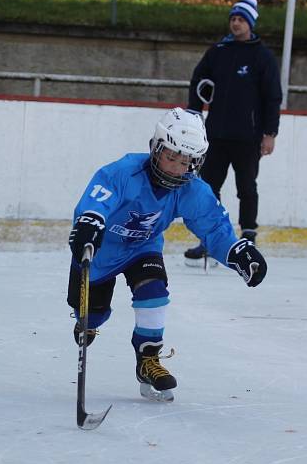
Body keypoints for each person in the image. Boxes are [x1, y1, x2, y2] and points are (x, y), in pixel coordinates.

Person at [66, 107, 268, 401]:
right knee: (91, 315)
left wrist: (238, 252)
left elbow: (214, 228)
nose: (176, 168)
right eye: (170, 157)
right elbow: (97, 203)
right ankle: (90, 321)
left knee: (154, 290)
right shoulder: (123, 172)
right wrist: (89, 222)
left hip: (142, 249)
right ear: (156, 148)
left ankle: (148, 360)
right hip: (100, 251)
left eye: (185, 161)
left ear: (195, 162)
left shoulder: (193, 190)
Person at [184, 0, 282, 265]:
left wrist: (269, 133)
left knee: (246, 187)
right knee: (207, 188)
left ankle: (248, 236)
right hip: (216, 134)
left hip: (248, 137)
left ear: (250, 23)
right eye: (233, 19)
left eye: (241, 19)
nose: (236, 23)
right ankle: (208, 238)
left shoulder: (262, 56)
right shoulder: (218, 51)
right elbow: (197, 81)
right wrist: (194, 114)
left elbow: (273, 96)